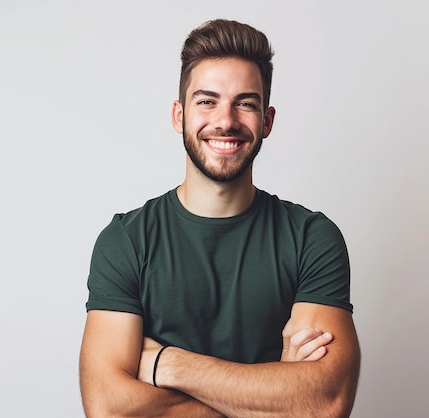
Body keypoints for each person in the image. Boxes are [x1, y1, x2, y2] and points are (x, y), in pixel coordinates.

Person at [79, 18, 360, 417]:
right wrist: (276, 392)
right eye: (207, 101)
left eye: (245, 103)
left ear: (267, 120)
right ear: (179, 116)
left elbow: (325, 404)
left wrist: (167, 364)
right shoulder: (126, 241)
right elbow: (110, 409)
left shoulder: (311, 238)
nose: (225, 121)